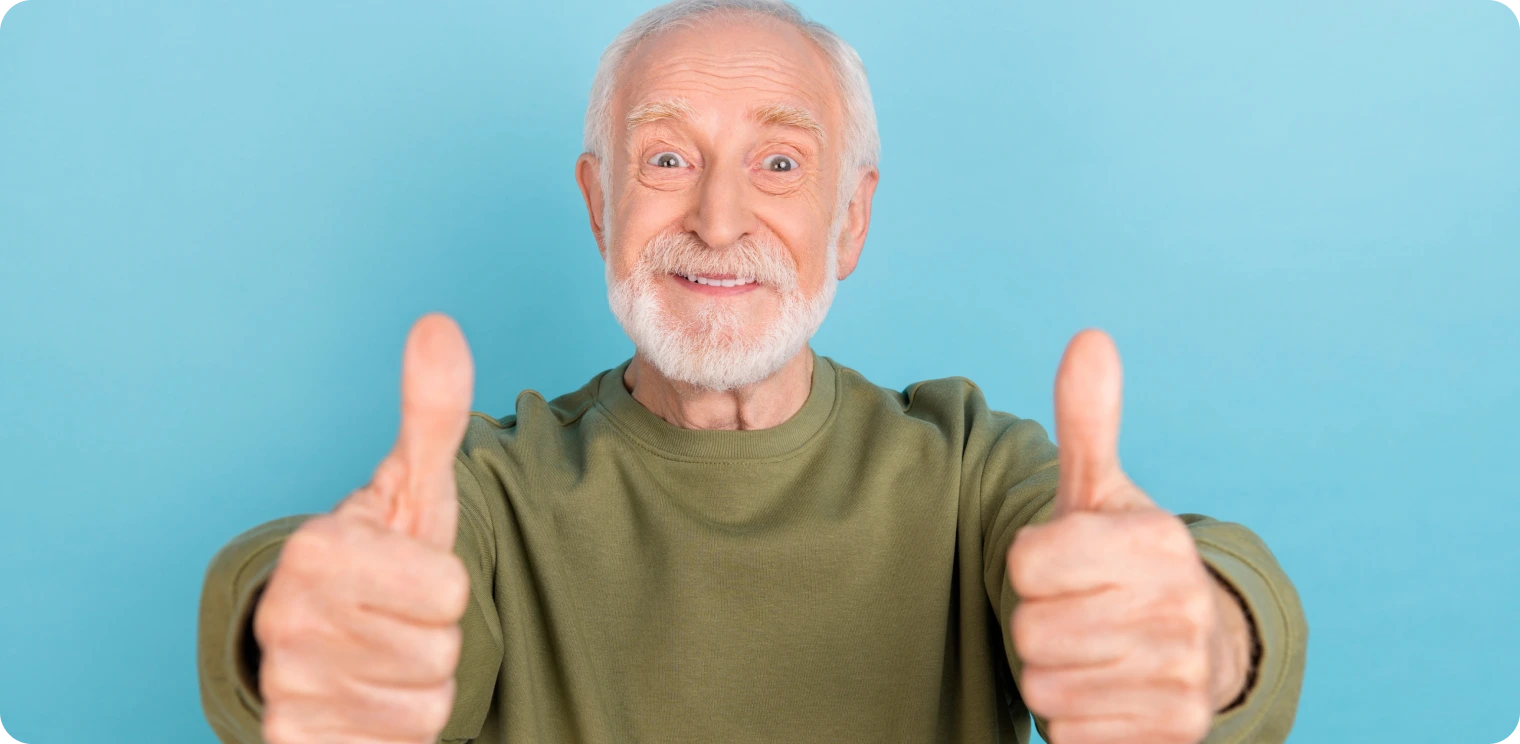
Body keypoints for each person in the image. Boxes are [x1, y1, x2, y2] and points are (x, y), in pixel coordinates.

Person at [196, 1, 1308, 742]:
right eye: (667, 158)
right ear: (599, 204)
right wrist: (285, 625)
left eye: (779, 163)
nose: (718, 220)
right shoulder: (489, 487)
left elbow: (1175, 592)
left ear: (851, 217)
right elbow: (342, 591)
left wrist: (1202, 637)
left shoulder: (970, 466)